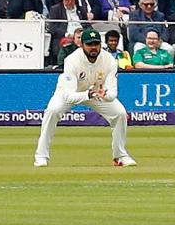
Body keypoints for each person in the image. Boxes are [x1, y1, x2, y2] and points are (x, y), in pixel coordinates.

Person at [34, 24, 133, 169]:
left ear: (101, 44)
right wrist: (88, 94)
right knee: (52, 111)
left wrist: (104, 94)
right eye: (89, 44)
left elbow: (113, 93)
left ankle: (120, 156)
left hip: (96, 92)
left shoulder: (109, 60)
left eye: (96, 44)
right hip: (70, 91)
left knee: (120, 113)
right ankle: (41, 156)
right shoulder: (72, 60)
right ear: (82, 45)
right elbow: (68, 96)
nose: (93, 47)